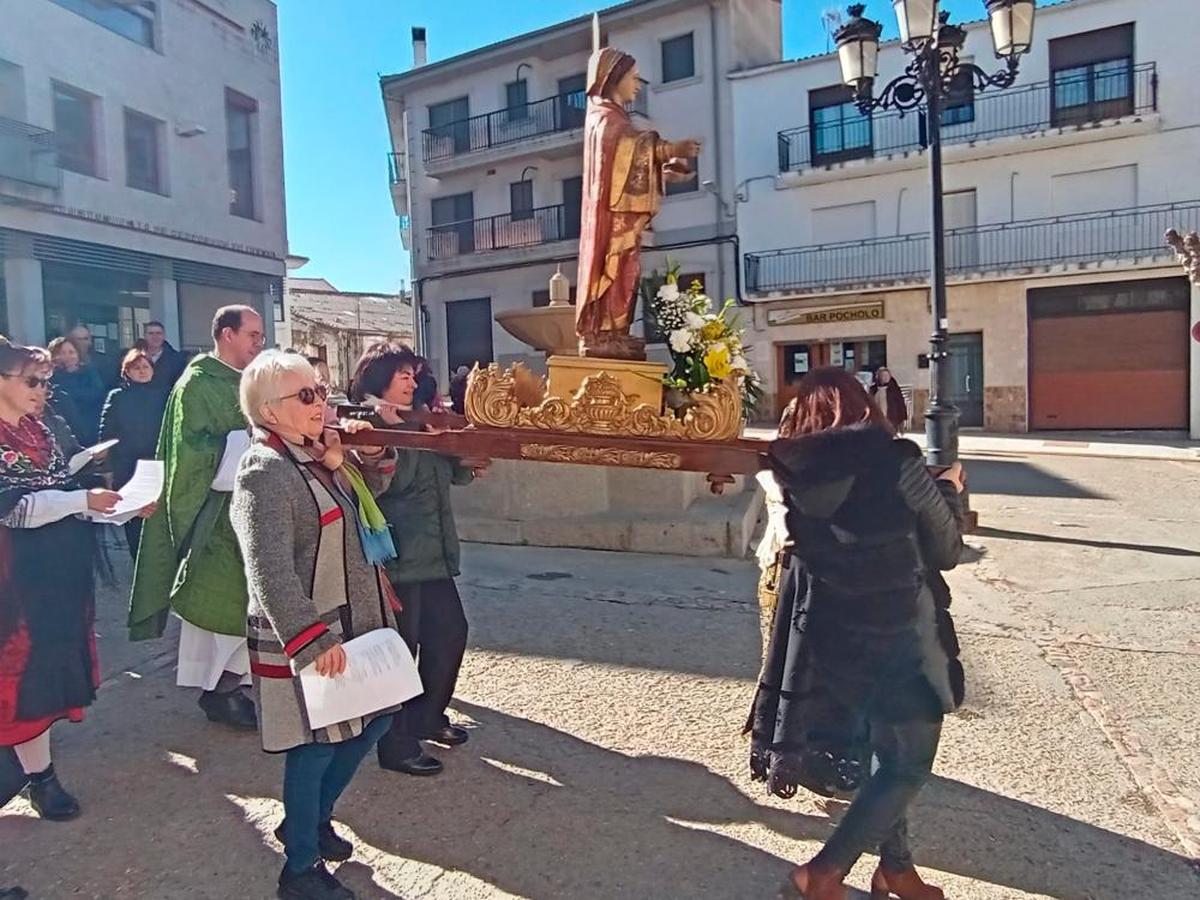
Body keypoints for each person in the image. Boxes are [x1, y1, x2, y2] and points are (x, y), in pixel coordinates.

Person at [747, 367, 965, 900]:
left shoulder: (794, 473)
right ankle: (821, 873)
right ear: (862, 409)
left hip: (837, 637)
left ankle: (897, 869)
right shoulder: (897, 463)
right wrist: (951, 492)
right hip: (902, 637)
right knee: (908, 763)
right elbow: (948, 550)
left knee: (881, 753)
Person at [230, 351, 399, 900]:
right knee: (316, 746)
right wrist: (309, 638)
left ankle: (310, 819)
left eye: (321, 390)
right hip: (310, 631)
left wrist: (353, 453)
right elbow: (267, 566)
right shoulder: (266, 469)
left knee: (372, 722)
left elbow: (375, 494)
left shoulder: (313, 455)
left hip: (355, 620)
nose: (320, 402)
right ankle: (298, 868)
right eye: (306, 396)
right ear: (269, 412)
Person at [0, 343, 154, 821]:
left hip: (56, 576)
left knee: (44, 679)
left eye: (46, 381)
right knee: (16, 680)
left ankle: (39, 775)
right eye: (32, 381)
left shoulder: (46, 430)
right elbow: (18, 508)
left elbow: (67, 495)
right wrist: (84, 500)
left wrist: (117, 507)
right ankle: (33, 777)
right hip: (13, 582)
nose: (43, 391)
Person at [128, 305, 265, 729]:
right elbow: (191, 451)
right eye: (253, 335)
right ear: (226, 334)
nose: (260, 343)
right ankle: (218, 691)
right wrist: (249, 442)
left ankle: (236, 683)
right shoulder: (197, 384)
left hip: (251, 511)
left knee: (254, 604)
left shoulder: (248, 381)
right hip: (217, 519)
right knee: (224, 605)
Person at [349, 343, 476, 777]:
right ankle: (396, 743)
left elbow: (453, 475)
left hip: (434, 552)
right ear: (380, 377)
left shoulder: (422, 416)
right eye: (403, 373)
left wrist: (460, 450)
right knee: (401, 650)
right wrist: (402, 439)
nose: (411, 380)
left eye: (413, 373)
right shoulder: (368, 423)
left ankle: (428, 716)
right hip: (398, 555)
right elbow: (386, 486)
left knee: (450, 634)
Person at [575, 44, 700, 358]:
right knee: (614, 269)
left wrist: (663, 174)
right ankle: (603, 332)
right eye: (633, 77)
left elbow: (624, 168)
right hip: (610, 219)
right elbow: (627, 147)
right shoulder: (603, 117)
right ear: (615, 77)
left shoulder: (614, 116)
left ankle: (617, 331)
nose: (637, 84)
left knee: (627, 271)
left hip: (621, 215)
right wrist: (670, 149)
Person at [100, 348, 168, 558]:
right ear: (126, 371)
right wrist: (107, 468)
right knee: (134, 519)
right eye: (136, 368)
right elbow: (107, 431)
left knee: (158, 517)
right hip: (127, 464)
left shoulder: (164, 394)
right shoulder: (117, 396)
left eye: (145, 367)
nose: (141, 371)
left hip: (156, 462)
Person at [48, 336, 105, 445]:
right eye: (62, 353)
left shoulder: (89, 373)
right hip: (64, 432)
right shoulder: (51, 377)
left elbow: (98, 394)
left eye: (71, 352)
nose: (67, 356)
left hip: (91, 430)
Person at [142, 321, 187, 392]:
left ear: (164, 336)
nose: (155, 337)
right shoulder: (135, 359)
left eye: (158, 333)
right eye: (151, 333)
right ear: (144, 336)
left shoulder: (176, 360)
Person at [869, 367, 909, 435]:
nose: (885, 378)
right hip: (877, 418)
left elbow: (900, 403)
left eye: (887, 376)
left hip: (891, 417)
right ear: (879, 377)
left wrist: (902, 418)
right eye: (883, 376)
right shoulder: (873, 389)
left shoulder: (894, 388)